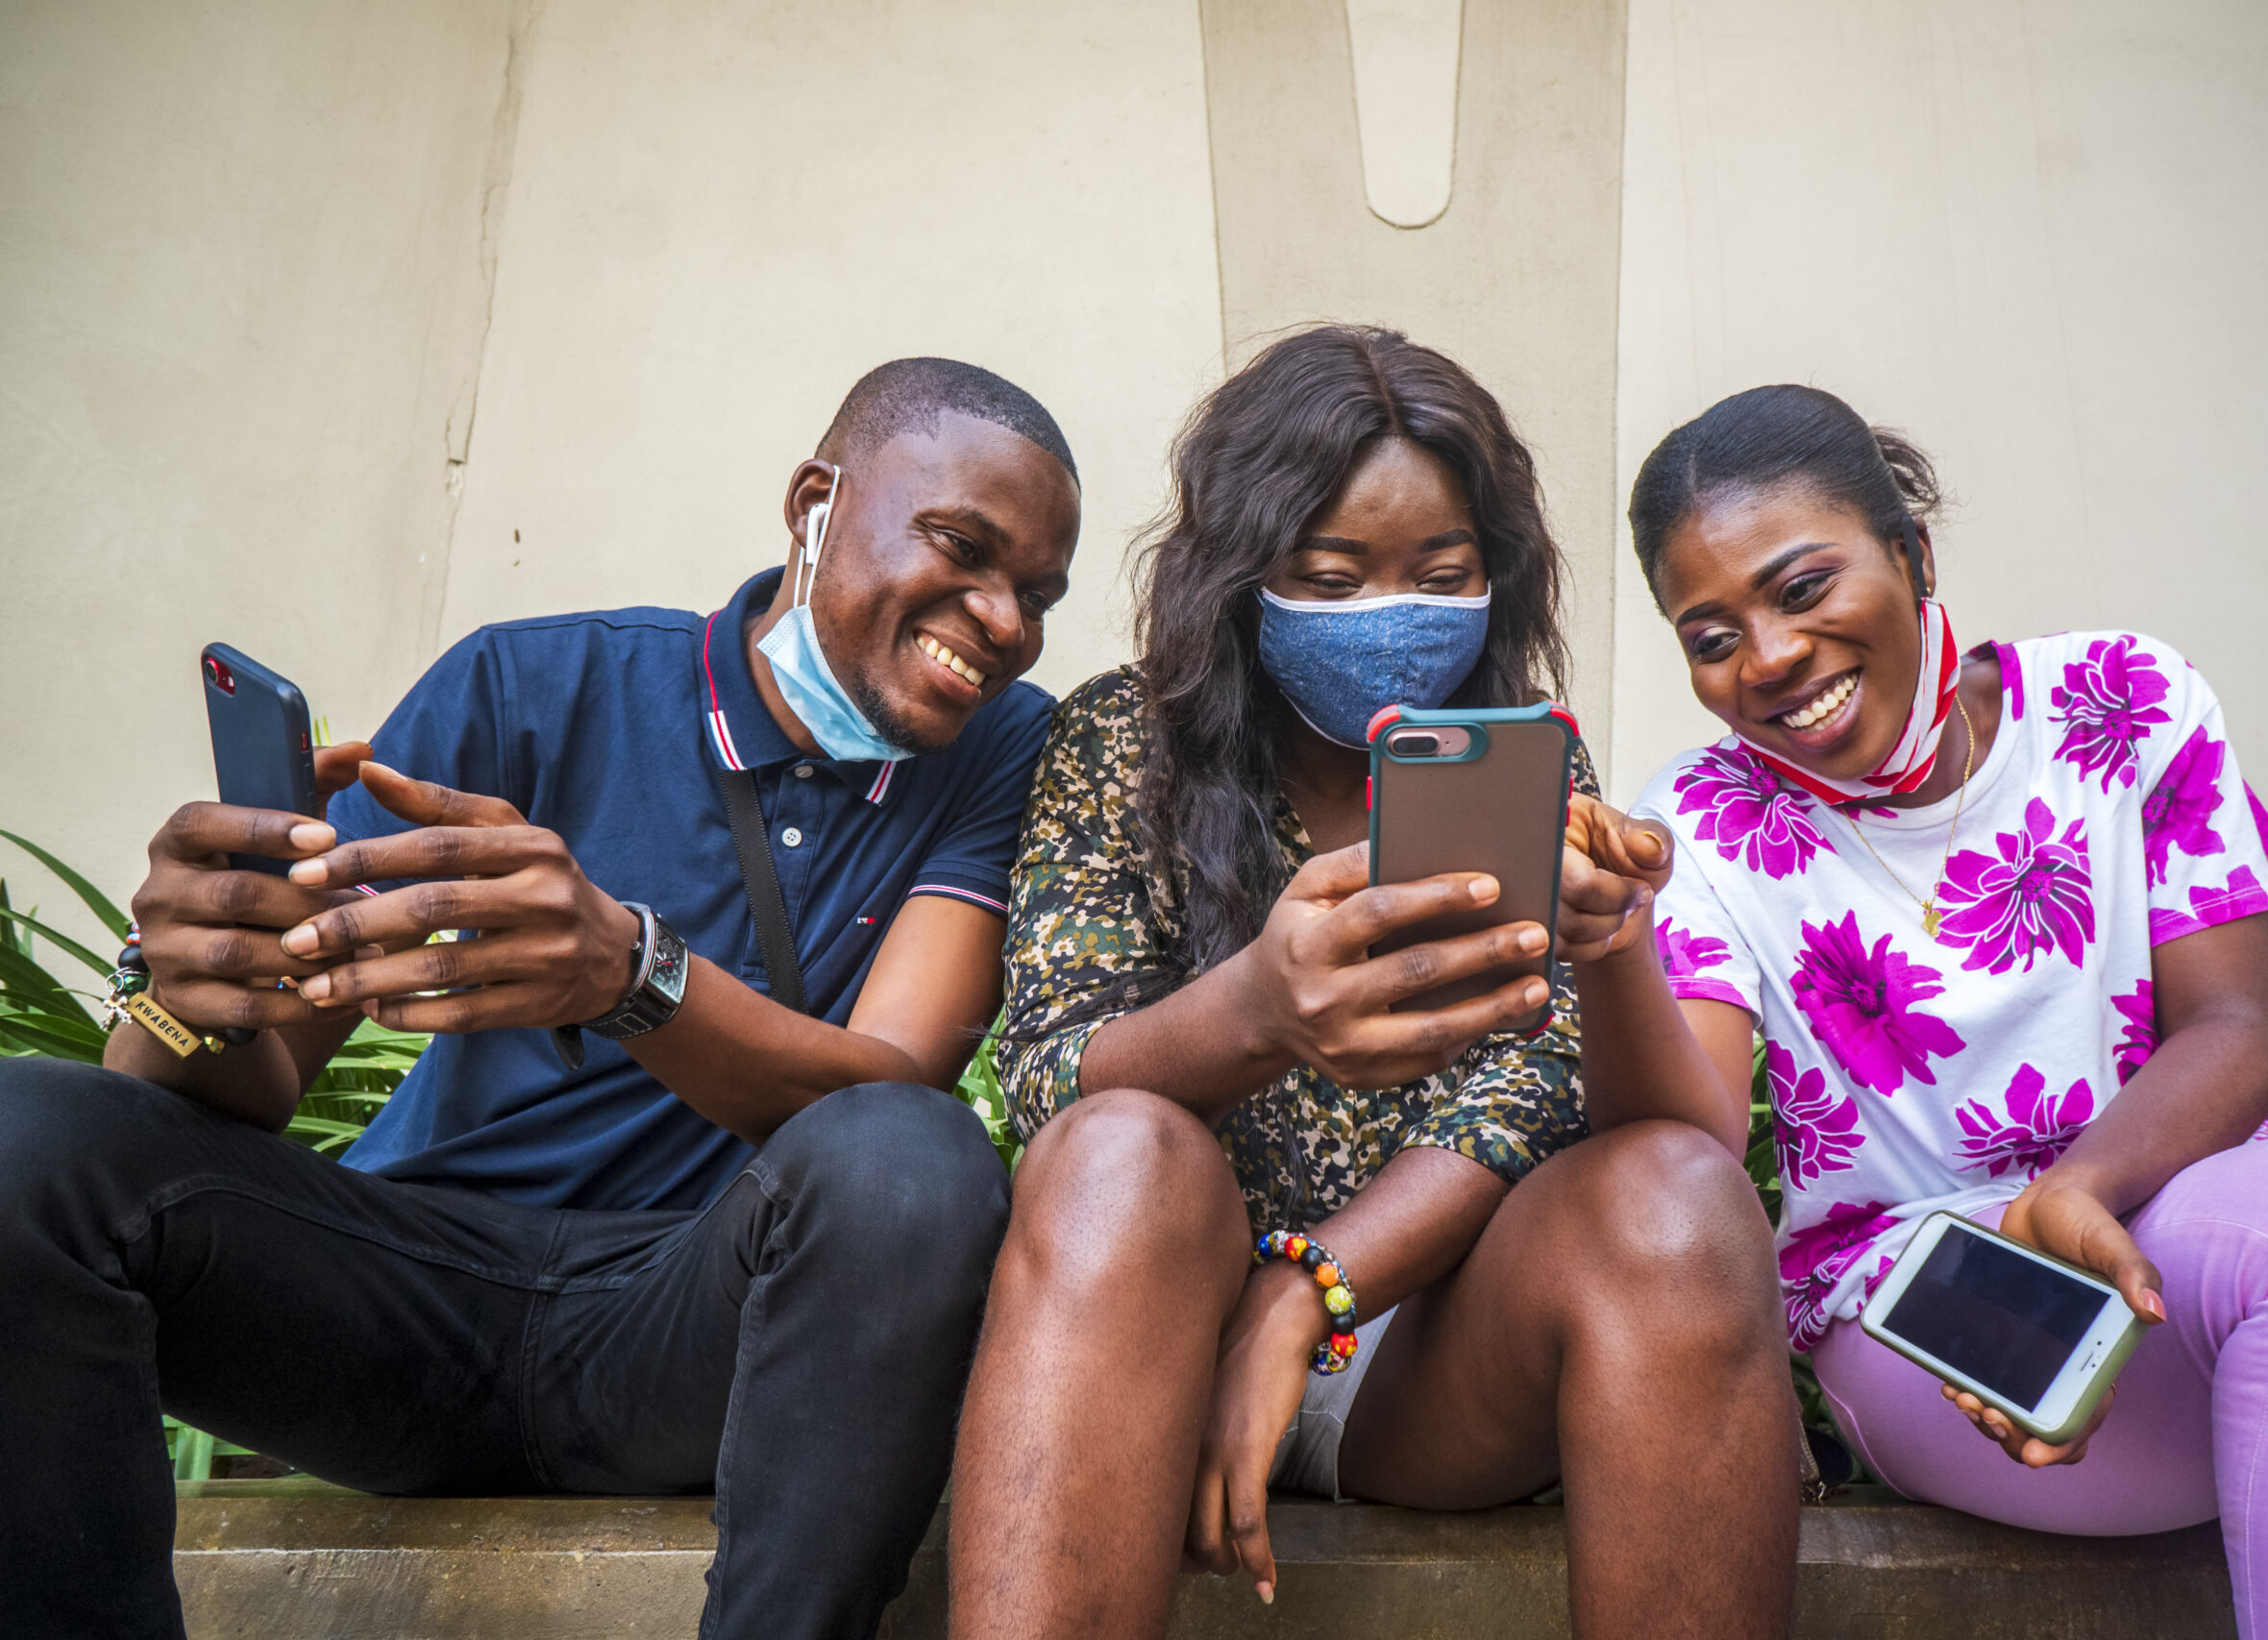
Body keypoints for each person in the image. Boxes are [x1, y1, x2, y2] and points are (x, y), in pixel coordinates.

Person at [0, 357, 1082, 1640]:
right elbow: (231, 1089)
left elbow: (892, 1072)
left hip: (693, 1328)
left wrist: (630, 972)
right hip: (401, 1300)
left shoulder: (1007, 751)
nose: (1005, 619)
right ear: (812, 504)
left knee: (911, 1155)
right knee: (29, 1142)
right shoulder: (530, 686)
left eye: (1039, 594)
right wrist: (195, 978)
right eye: (965, 548)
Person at [947, 326, 1802, 1640]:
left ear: (1495, 580)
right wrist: (1258, 1015)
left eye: (1439, 575)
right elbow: (1051, 1072)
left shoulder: (1527, 776)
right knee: (1120, 1147)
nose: (1388, 619)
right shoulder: (1118, 741)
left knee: (1679, 1197)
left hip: (1422, 1361)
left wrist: (1311, 1291)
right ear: (1243, 577)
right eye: (1332, 578)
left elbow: (1529, 1091)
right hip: (1140, 1335)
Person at [1573, 382, 2268, 1639]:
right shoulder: (1705, 824)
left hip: (2176, 1213)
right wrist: (1611, 946)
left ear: (1913, 554)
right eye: (1709, 636)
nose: (1766, 659)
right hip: (1914, 1290)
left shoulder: (2125, 700)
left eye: (1802, 588)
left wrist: (2079, 1188)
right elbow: (1689, 1142)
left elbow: (2234, 1030)